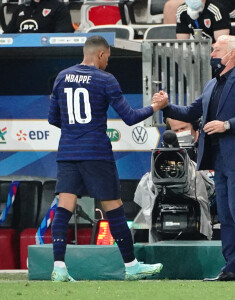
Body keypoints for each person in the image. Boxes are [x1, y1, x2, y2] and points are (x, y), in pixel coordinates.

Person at [48, 35, 168, 282]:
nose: (107, 63)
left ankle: (59, 267)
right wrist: (156, 107)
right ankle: (131, 266)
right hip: (96, 153)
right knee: (113, 208)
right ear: (101, 55)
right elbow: (130, 117)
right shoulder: (105, 79)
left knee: (63, 208)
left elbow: (53, 118)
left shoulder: (62, 76)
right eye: (108, 58)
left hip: (68, 152)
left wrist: (74, 131)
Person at [153, 35, 235, 281]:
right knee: (226, 214)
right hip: (218, 158)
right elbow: (189, 112)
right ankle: (232, 267)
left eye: (216, 50)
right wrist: (165, 106)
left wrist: (226, 125)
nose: (212, 53)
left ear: (231, 55)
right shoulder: (211, 85)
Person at [133, 118, 214, 243]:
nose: (180, 133)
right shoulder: (161, 159)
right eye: (175, 130)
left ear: (196, 130)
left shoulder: (211, 151)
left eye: (183, 129)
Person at [3, 0, 74, 33]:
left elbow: (62, 37)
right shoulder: (20, 8)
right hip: (17, 53)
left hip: (47, 54)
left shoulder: (59, 8)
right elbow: (7, 35)